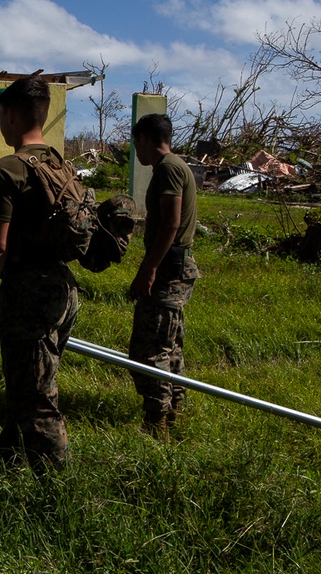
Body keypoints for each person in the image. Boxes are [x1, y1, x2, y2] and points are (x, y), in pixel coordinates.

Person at [0, 76, 77, 472]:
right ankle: (9, 460)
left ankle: (55, 487)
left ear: (10, 115)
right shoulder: (62, 165)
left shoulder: (7, 169)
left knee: (37, 398)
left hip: (29, 293)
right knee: (28, 382)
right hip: (64, 289)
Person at [128, 113, 200, 440]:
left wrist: (149, 269)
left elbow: (171, 223)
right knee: (171, 346)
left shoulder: (169, 169)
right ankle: (174, 412)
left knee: (151, 347)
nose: (135, 152)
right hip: (173, 265)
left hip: (169, 268)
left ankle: (157, 422)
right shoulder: (171, 167)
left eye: (135, 144)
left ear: (144, 138)